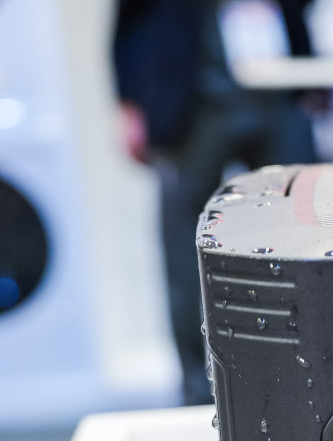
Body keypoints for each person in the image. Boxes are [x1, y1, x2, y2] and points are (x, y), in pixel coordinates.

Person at [114, 0, 318, 405]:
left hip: (277, 85)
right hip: (191, 91)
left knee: (303, 233)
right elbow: (130, 18)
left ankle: (304, 376)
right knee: (183, 244)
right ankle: (196, 388)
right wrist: (129, 102)